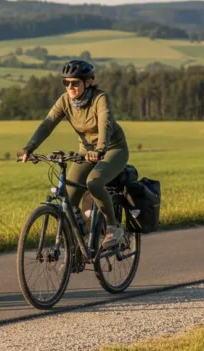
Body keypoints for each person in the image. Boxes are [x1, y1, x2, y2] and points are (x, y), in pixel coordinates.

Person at [19, 59, 130, 249]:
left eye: (75, 82)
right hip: (85, 153)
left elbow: (105, 124)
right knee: (68, 200)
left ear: (88, 82)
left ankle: (113, 227)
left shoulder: (99, 98)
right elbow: (47, 124)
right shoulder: (65, 101)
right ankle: (80, 245)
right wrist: (29, 148)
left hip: (112, 149)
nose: (70, 86)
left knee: (94, 182)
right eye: (66, 82)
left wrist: (100, 149)